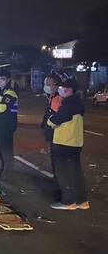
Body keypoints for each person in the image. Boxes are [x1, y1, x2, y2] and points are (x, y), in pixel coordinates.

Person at [47, 78, 88, 210]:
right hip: (75, 141)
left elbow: (59, 118)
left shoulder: (70, 102)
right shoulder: (78, 102)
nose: (60, 90)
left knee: (63, 172)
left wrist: (51, 120)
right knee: (75, 171)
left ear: (68, 89)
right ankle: (82, 200)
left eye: (62, 88)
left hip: (65, 141)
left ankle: (68, 201)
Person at [41, 73, 63, 200]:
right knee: (55, 162)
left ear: (56, 85)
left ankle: (60, 190)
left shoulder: (58, 98)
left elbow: (55, 119)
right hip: (53, 136)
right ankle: (58, 185)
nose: (46, 86)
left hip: (58, 137)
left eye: (49, 84)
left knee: (58, 163)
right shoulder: (52, 97)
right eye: (46, 84)